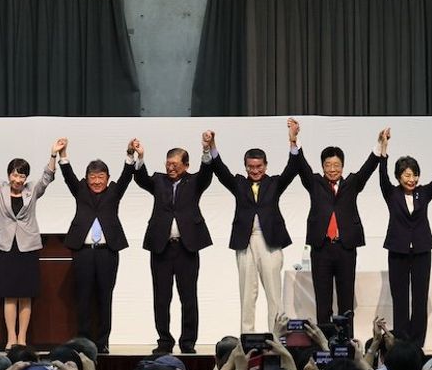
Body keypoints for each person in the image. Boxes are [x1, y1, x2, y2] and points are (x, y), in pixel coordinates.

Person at [206, 120, 301, 332]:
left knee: (274, 294)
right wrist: (212, 146)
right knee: (247, 294)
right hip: (245, 241)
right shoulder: (239, 183)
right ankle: (247, 338)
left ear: (266, 166)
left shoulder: (275, 182)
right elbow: (220, 170)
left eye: (259, 166)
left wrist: (293, 140)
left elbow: (293, 168)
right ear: (245, 166)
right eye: (251, 167)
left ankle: (277, 338)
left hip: (270, 242)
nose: (255, 170)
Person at [377, 129, 432, 345]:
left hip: (422, 250)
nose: (411, 179)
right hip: (397, 251)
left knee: (420, 298)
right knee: (401, 299)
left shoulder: (423, 192)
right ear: (399, 177)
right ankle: (402, 342)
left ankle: (417, 344)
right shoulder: (391, 193)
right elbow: (382, 176)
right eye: (407, 175)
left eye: (414, 175)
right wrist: (384, 148)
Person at [132, 135, 215, 354]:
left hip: (187, 248)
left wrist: (207, 151)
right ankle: (164, 341)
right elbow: (141, 179)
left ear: (186, 166)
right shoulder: (159, 181)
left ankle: (188, 342)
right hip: (161, 247)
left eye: (175, 165)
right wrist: (140, 157)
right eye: (168, 164)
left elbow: (207, 173)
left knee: (188, 297)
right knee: (161, 297)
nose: (170, 168)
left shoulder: (194, 181)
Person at [0, 126, 59, 347]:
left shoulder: (32, 191)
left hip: (27, 246)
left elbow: (47, 177)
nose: (18, 179)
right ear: (8, 175)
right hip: (5, 246)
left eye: (22, 175)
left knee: (26, 294)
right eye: (15, 174)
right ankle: (10, 338)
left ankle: (22, 338)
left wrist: (53, 154)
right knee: (8, 294)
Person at [294, 124, 379, 328]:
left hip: (345, 248)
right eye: (328, 165)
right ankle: (324, 341)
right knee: (323, 301)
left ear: (343, 166)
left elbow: (368, 168)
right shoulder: (314, 182)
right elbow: (300, 165)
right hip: (321, 248)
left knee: (346, 299)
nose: (332, 169)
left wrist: (380, 145)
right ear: (322, 166)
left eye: (337, 165)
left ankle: (346, 343)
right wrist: (294, 141)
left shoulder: (352, 183)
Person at [57, 139, 136, 353]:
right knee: (82, 297)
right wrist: (63, 155)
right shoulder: (80, 190)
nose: (97, 181)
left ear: (108, 179)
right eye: (93, 177)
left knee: (105, 297)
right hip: (83, 252)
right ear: (87, 178)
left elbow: (127, 176)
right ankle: (83, 341)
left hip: (107, 252)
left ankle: (103, 343)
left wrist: (130, 154)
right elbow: (69, 177)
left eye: (101, 177)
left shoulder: (114, 192)